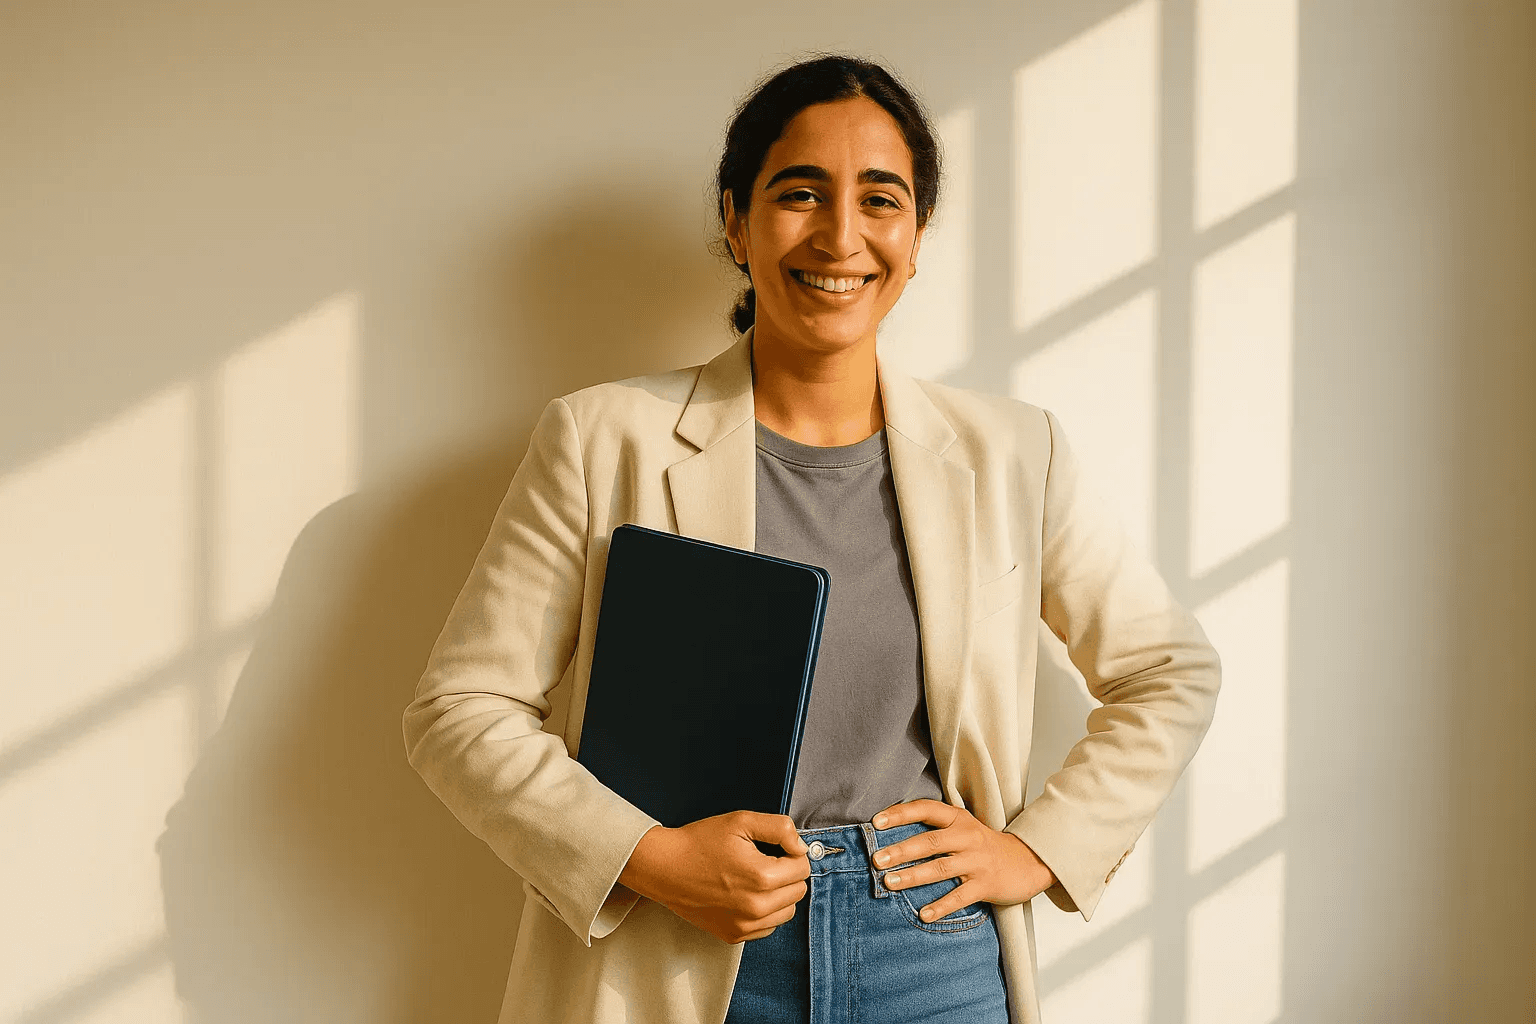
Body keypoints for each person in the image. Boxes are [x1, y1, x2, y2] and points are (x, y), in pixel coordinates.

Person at [404, 55, 1220, 1024]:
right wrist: (646, 855)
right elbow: (460, 708)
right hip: (687, 946)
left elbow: (1170, 668)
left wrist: (1038, 846)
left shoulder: (1013, 452)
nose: (840, 234)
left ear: (915, 236)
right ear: (735, 220)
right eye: (799, 193)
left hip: (934, 953)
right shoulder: (600, 436)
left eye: (881, 199)